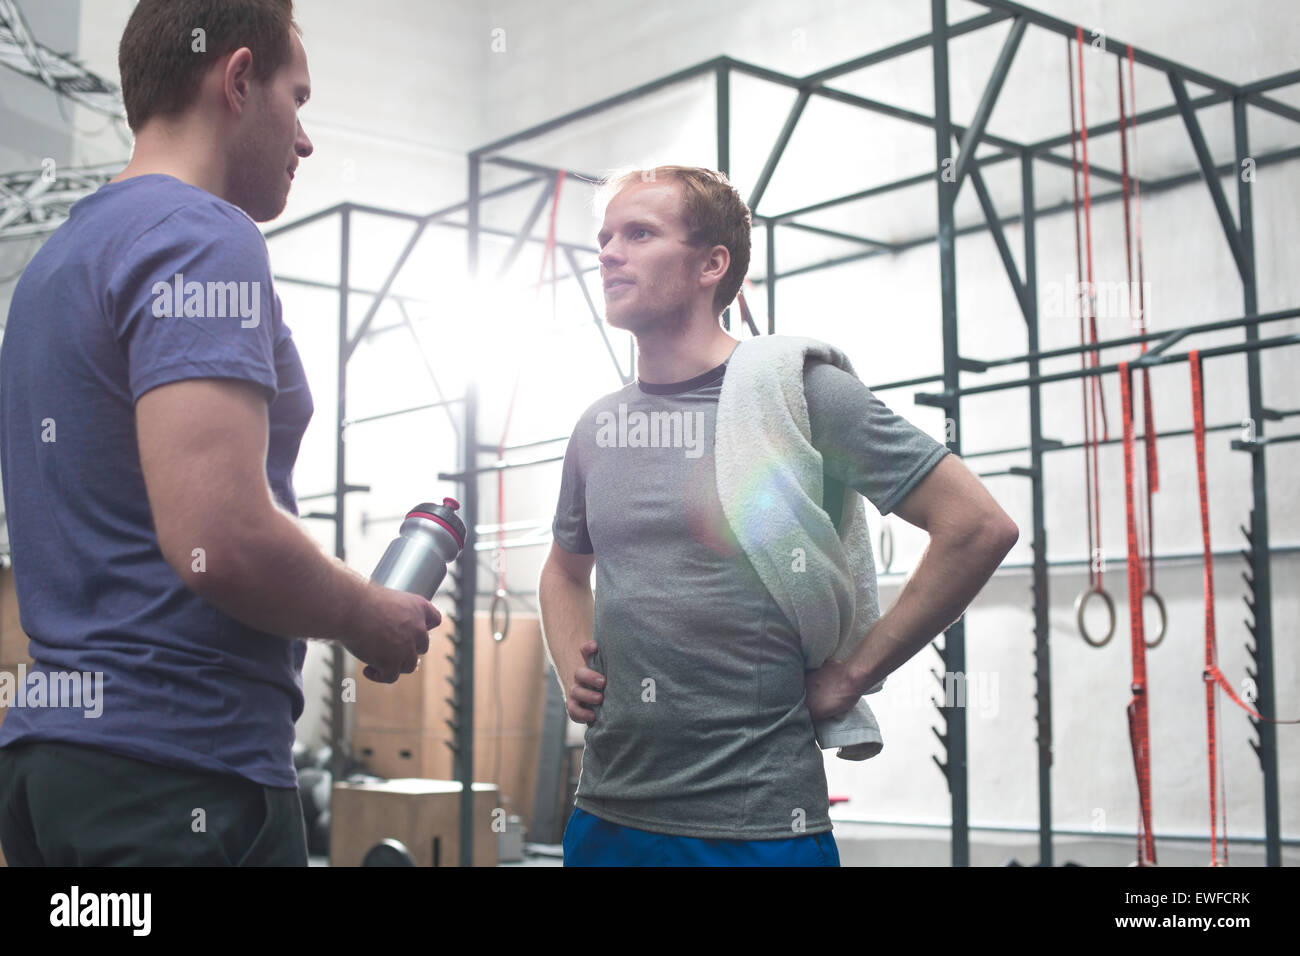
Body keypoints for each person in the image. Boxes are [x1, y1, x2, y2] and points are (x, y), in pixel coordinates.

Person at [0, 0, 435, 867]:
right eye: (298, 99)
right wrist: (367, 613)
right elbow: (220, 535)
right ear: (237, 79)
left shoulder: (54, 264)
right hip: (177, 772)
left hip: (63, 764)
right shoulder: (202, 236)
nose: (305, 139)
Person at [538, 165, 1019, 867]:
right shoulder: (597, 428)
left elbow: (977, 526)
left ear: (712, 265)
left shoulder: (799, 395)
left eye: (639, 234)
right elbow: (562, 569)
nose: (609, 252)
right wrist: (568, 657)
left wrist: (855, 673)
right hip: (607, 816)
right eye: (606, 237)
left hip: (758, 825)